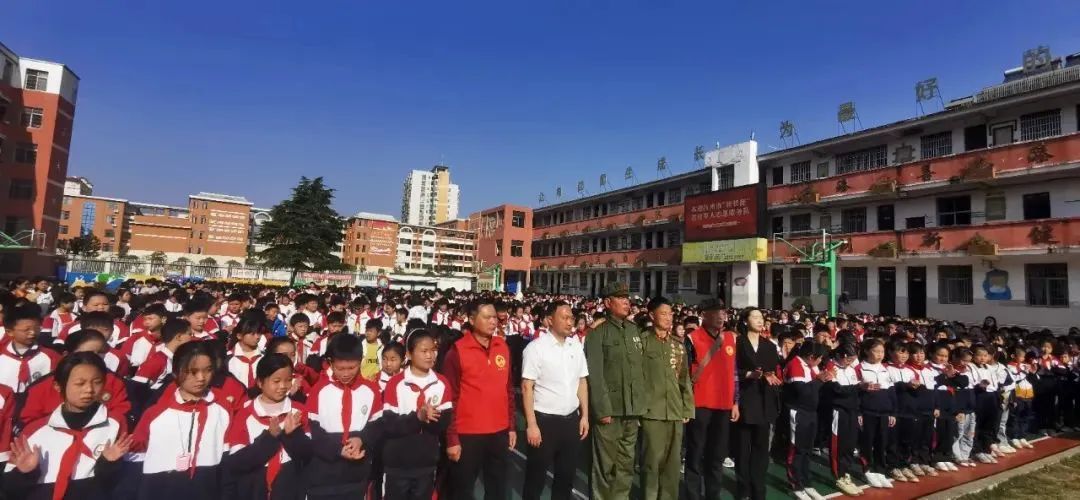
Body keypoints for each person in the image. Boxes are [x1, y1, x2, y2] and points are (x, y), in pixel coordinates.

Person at [2, 352, 133, 500]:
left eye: (97, 382)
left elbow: (125, 485)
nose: (89, 389)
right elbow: (10, 490)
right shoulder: (36, 430)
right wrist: (25, 473)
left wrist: (109, 465)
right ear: (58, 386)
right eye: (80, 383)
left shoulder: (115, 425)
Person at [130, 341, 232, 500]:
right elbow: (135, 459)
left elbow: (227, 462)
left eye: (208, 370)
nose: (201, 378)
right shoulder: (156, 413)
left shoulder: (222, 409)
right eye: (193, 371)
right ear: (176, 372)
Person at [442, 299, 514, 500]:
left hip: (499, 433)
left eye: (495, 317)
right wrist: (452, 439)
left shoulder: (502, 346)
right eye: (487, 317)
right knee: (462, 491)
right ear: (472, 320)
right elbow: (449, 399)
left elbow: (508, 390)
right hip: (467, 435)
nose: (493, 321)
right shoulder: (457, 351)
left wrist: (511, 426)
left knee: (497, 489)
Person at [305, 333, 387, 499]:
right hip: (324, 474)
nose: (346, 374)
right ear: (330, 363)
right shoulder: (319, 391)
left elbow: (377, 425)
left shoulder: (371, 390)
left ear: (360, 361)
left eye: (351, 368)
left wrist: (361, 439)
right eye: (340, 368)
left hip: (357, 474)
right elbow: (313, 431)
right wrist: (337, 450)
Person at [521, 301, 589, 500]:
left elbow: (582, 382)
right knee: (536, 478)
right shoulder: (536, 348)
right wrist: (532, 424)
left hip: (571, 421)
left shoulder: (575, 347)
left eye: (571, 318)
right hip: (545, 422)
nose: (570, 322)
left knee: (565, 477)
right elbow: (527, 387)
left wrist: (584, 416)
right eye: (564, 318)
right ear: (550, 320)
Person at [584, 283, 645, 500]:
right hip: (610, 410)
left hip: (632, 409)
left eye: (627, 298)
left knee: (626, 463)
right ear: (608, 302)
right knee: (604, 465)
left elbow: (639, 370)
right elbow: (595, 373)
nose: (627, 302)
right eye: (620, 298)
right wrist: (602, 409)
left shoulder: (633, 330)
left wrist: (640, 406)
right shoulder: (597, 333)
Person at [224, 352, 313, 500]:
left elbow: (307, 454)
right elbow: (237, 462)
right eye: (276, 381)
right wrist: (269, 439)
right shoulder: (245, 414)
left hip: (291, 487)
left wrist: (293, 435)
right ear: (260, 382)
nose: (283, 386)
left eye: (288, 380)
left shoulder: (298, 410)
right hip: (255, 489)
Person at [381, 330, 454, 500]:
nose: (430, 355)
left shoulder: (442, 383)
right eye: (424, 351)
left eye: (433, 350)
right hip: (397, 464)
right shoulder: (395, 384)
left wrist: (431, 418)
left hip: (426, 464)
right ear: (409, 354)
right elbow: (389, 424)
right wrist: (417, 418)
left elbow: (444, 422)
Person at [639, 296, 693, 500]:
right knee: (651, 463)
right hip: (651, 412)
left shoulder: (677, 345)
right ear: (652, 316)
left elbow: (684, 379)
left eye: (670, 314)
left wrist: (687, 408)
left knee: (672, 465)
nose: (669, 317)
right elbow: (636, 378)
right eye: (663, 313)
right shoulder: (642, 342)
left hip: (675, 411)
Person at [684, 300, 739, 500]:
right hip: (699, 405)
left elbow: (735, 373)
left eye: (723, 312)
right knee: (695, 454)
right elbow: (684, 374)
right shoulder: (692, 339)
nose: (721, 316)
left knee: (716, 456)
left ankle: (712, 495)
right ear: (704, 315)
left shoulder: (731, 338)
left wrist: (736, 402)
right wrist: (685, 404)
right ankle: (692, 496)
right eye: (715, 313)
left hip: (724, 406)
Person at [733, 307, 782, 500]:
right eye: (755, 317)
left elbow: (771, 370)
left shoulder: (769, 346)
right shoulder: (737, 343)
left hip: (764, 401)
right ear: (746, 321)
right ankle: (743, 489)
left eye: (761, 317)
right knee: (742, 449)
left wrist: (769, 376)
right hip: (744, 401)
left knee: (761, 449)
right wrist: (749, 374)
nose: (760, 321)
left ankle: (758, 489)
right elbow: (731, 371)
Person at [783, 341, 831, 500]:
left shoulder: (811, 367)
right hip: (798, 412)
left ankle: (806, 482)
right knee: (796, 449)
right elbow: (802, 391)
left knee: (807, 449)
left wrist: (825, 379)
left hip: (811, 412)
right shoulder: (795, 365)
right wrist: (819, 380)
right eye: (819, 358)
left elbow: (816, 388)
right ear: (811, 356)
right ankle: (795, 484)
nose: (820, 361)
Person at [822, 343, 863, 496]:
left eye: (853, 359)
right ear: (840, 356)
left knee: (850, 444)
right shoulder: (831, 368)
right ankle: (838, 475)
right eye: (848, 359)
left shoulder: (851, 369)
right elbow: (836, 390)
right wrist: (858, 388)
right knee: (838, 445)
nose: (850, 362)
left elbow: (855, 392)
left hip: (852, 411)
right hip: (838, 411)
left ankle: (846, 473)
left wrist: (858, 409)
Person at [1, 303, 59, 393]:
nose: (32, 332)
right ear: (9, 332)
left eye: (36, 328)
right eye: (26, 330)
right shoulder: (2, 357)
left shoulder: (51, 356)